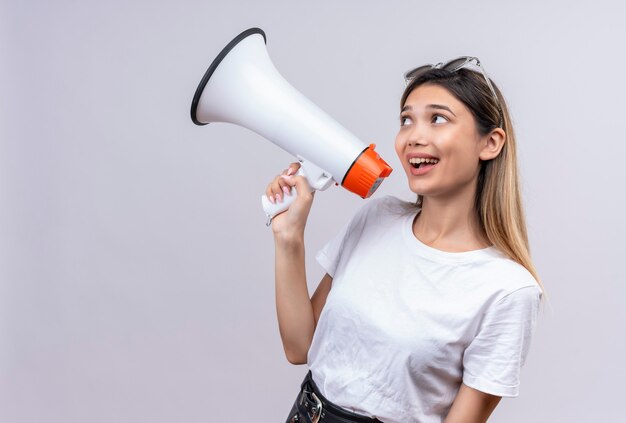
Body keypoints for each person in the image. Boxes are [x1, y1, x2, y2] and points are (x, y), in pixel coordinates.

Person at [265, 57, 543, 423]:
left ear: (490, 143)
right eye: (406, 120)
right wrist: (289, 236)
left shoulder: (508, 290)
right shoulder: (376, 218)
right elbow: (300, 346)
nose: (413, 136)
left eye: (438, 118)